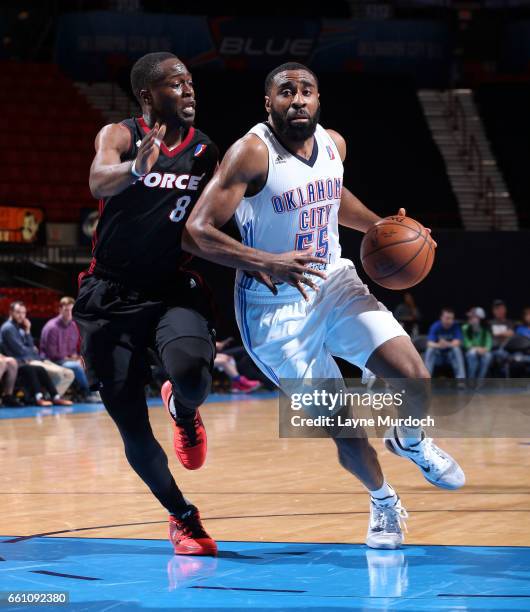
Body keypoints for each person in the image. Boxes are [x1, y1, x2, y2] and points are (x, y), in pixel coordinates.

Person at [183, 62, 465, 549]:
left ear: (318, 101)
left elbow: (331, 195)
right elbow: (196, 231)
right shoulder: (251, 154)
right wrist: (266, 261)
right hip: (275, 311)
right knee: (346, 428)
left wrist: (382, 227)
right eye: (286, 91)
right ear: (268, 104)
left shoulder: (334, 144)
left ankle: (409, 441)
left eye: (307, 91)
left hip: (332, 281)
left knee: (413, 375)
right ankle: (383, 503)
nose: (298, 99)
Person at [73, 52, 219, 557]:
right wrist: (135, 168)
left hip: (167, 288)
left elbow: (202, 230)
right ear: (147, 95)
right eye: (176, 84)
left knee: (196, 376)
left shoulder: (205, 152)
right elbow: (98, 180)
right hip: (108, 296)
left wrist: (256, 258)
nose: (188, 91)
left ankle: (183, 407)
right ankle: (183, 517)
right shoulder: (120, 134)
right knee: (130, 423)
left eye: (190, 83)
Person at [0, 301, 73, 404]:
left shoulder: (21, 327)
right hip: (18, 362)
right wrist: (31, 350)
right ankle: (39, 398)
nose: (21, 316)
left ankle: (55, 397)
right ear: (11, 312)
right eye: (18, 312)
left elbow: (31, 348)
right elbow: (20, 350)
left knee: (41, 369)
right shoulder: (8, 328)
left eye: (23, 313)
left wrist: (28, 331)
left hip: (27, 360)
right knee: (37, 369)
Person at [40, 296, 99, 402]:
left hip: (66, 359)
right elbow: (53, 354)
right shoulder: (51, 327)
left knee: (88, 361)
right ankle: (90, 393)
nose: (69, 313)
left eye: (71, 310)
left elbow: (76, 349)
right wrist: (72, 359)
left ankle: (93, 391)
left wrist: (78, 357)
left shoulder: (73, 326)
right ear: (60, 310)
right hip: (51, 361)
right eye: (66, 310)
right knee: (75, 366)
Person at [424, 308, 466, 379]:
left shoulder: (455, 326)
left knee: (456, 349)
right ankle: (426, 379)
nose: (449, 321)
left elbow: (457, 343)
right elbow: (429, 343)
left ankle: (461, 380)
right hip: (438, 357)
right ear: (441, 318)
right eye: (447, 318)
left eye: (451, 318)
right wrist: (439, 345)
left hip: (450, 357)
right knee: (430, 350)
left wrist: (446, 343)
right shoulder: (436, 326)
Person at [462, 307, 492, 381]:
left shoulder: (485, 329)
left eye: (475, 317)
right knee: (472, 355)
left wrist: (485, 349)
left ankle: (480, 382)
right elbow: (466, 344)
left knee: (488, 356)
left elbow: (489, 343)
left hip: (482, 351)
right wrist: (476, 349)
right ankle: (471, 381)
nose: (473, 319)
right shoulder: (465, 328)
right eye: (471, 317)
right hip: (470, 351)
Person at [488, 299, 515, 376]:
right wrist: (504, 334)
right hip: (494, 349)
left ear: (505, 310)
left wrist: (497, 334)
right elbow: (490, 336)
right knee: (501, 354)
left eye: (501, 308)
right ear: (493, 311)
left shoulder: (510, 322)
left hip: (507, 348)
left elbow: (511, 333)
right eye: (497, 309)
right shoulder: (490, 323)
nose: (499, 311)